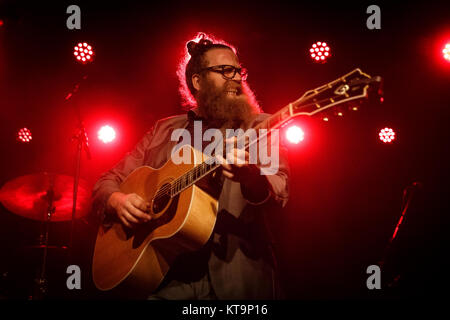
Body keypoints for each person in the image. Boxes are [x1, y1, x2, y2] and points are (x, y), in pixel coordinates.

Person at [91, 33, 290, 300]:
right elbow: (107, 180)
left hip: (237, 278)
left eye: (238, 71)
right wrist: (117, 200)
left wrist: (251, 177)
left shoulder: (259, 127)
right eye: (224, 70)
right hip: (164, 277)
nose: (235, 78)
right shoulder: (164, 129)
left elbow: (280, 188)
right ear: (197, 80)